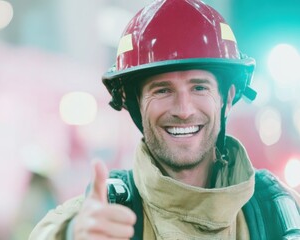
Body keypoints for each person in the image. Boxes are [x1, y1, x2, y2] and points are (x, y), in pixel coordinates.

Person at [29, 0, 300, 239]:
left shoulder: (280, 212)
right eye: (162, 90)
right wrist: (72, 234)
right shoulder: (98, 220)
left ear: (227, 98)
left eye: (199, 87)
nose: (183, 110)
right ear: (134, 104)